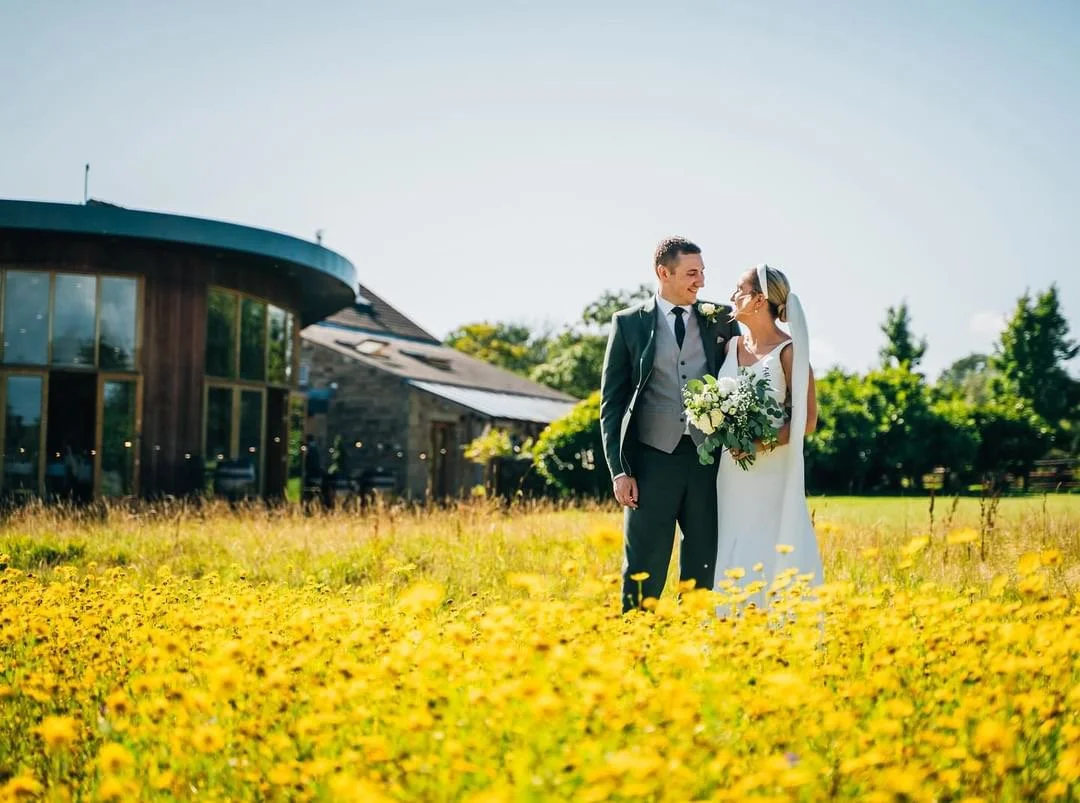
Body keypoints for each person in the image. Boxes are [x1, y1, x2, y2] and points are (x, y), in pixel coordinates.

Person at [600, 236, 741, 612]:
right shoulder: (628, 323)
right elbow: (611, 403)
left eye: (703, 272)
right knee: (644, 564)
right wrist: (620, 470)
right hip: (650, 461)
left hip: (707, 460)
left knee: (704, 561)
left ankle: (694, 641)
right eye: (692, 273)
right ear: (664, 272)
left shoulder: (723, 319)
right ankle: (636, 645)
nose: (701, 282)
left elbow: (740, 386)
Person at [713, 264, 823, 603]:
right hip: (730, 471)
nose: (731, 297)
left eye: (739, 291)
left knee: (767, 539)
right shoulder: (729, 346)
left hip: (772, 470)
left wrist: (760, 443)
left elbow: (807, 420)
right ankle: (731, 616)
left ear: (759, 299)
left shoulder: (789, 352)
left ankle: (775, 615)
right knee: (731, 537)